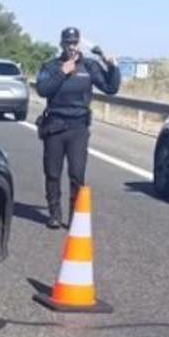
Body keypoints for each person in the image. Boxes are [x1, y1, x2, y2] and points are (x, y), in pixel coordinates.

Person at [34, 26, 121, 228]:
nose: (71, 46)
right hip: (55, 126)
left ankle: (74, 216)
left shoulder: (89, 66)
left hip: (78, 128)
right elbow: (42, 89)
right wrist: (62, 73)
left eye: (74, 42)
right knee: (52, 172)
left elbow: (111, 88)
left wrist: (112, 68)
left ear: (79, 43)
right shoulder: (51, 66)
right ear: (61, 44)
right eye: (67, 42)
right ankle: (54, 213)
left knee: (77, 173)